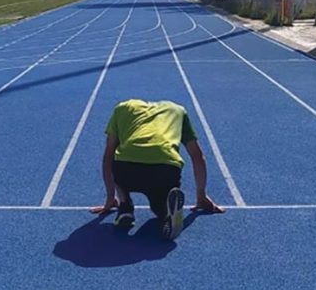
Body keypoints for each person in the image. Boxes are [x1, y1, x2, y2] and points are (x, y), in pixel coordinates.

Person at [89, 99, 225, 240]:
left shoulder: (122, 108)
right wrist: (201, 195)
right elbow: (197, 156)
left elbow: (108, 155)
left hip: (126, 170)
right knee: (159, 209)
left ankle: (124, 207)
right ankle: (166, 212)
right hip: (165, 170)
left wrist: (110, 198)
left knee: (117, 157)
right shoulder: (178, 110)